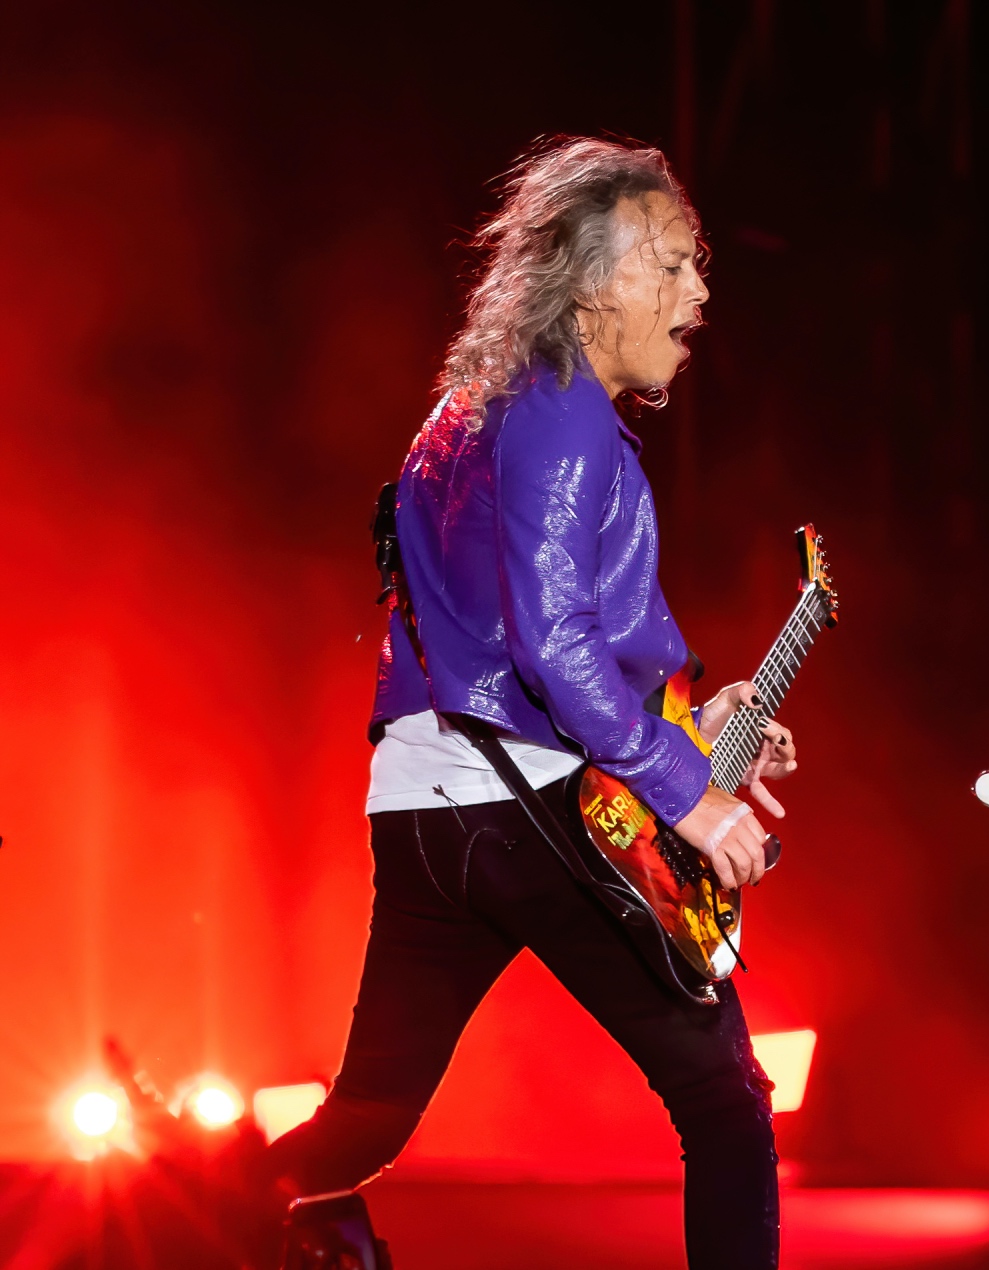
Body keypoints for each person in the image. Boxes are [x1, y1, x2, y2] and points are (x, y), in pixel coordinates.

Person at [259, 137, 797, 1270]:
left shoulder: (471, 407)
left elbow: (514, 625)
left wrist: (702, 714)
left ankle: (166, 1207)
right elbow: (551, 648)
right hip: (524, 808)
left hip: (425, 808)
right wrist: (691, 793)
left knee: (365, 1122)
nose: (698, 290)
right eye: (672, 265)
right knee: (726, 1097)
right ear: (594, 283)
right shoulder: (564, 411)